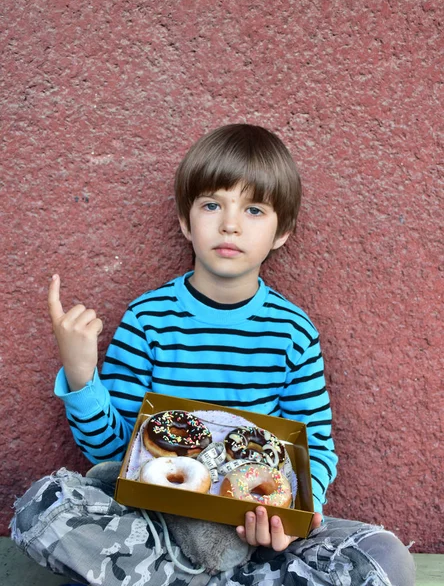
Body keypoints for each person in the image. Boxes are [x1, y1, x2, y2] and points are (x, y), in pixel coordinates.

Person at [10, 124, 415, 585]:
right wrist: (82, 376)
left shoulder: (293, 333)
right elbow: (112, 451)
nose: (230, 223)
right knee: (42, 506)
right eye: (211, 205)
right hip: (153, 523)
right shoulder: (148, 319)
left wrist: (290, 516)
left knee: (386, 558)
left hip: (253, 533)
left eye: (254, 209)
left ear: (282, 231)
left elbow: (315, 448)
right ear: (186, 221)